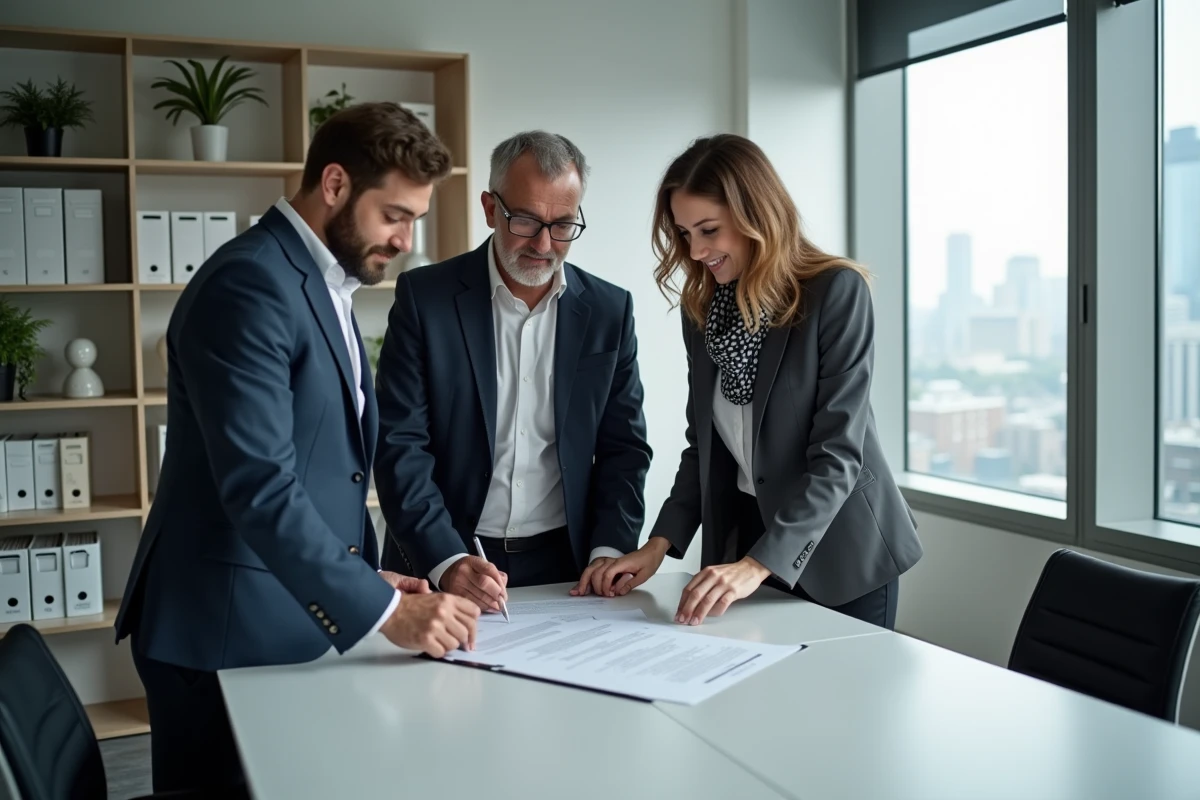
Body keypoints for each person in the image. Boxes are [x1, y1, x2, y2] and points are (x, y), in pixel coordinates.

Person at [114, 103, 481, 796]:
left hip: (275, 619)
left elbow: (322, 468)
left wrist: (367, 579)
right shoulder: (249, 284)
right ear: (335, 184)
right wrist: (386, 613)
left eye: (415, 220)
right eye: (394, 215)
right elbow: (260, 485)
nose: (406, 240)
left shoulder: (320, 279)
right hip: (220, 632)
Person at [591, 133, 923, 630]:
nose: (696, 250)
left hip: (840, 553)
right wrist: (657, 546)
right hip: (747, 544)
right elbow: (703, 448)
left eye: (709, 230)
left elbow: (838, 456)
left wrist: (757, 565)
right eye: (684, 233)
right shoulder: (702, 312)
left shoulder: (835, 293)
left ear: (756, 216)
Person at [374, 130, 652, 611]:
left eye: (562, 225)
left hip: (570, 566)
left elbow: (624, 449)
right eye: (525, 220)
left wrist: (609, 550)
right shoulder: (425, 299)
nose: (544, 244)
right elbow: (400, 445)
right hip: (445, 558)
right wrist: (446, 560)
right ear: (490, 208)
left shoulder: (610, 310)